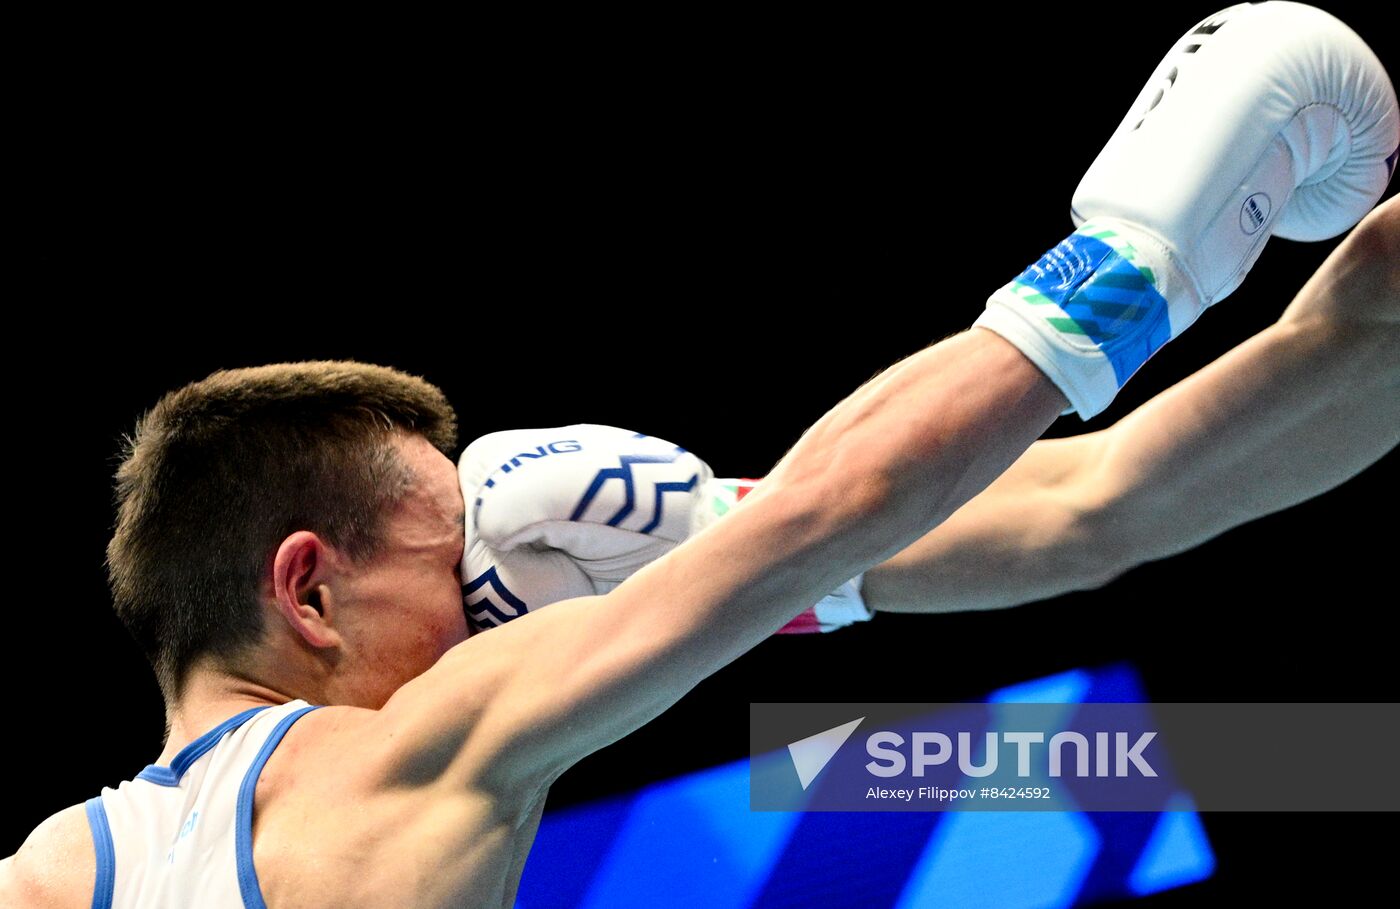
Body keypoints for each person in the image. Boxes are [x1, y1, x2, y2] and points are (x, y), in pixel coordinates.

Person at [2, 3, 1396, 907]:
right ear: (308, 589)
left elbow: (1085, 510)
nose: (493, 607)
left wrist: (1353, 340)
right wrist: (1133, 264)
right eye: (457, 567)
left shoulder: (46, 871)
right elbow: (831, 510)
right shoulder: (418, 748)